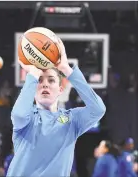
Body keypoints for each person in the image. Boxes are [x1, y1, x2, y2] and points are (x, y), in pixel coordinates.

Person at [6, 37, 106, 176]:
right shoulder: (29, 117)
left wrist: (66, 68)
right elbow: (19, 115)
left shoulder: (71, 119)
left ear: (60, 89)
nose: (45, 84)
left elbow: (98, 109)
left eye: (51, 80)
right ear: (33, 88)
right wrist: (33, 73)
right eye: (40, 81)